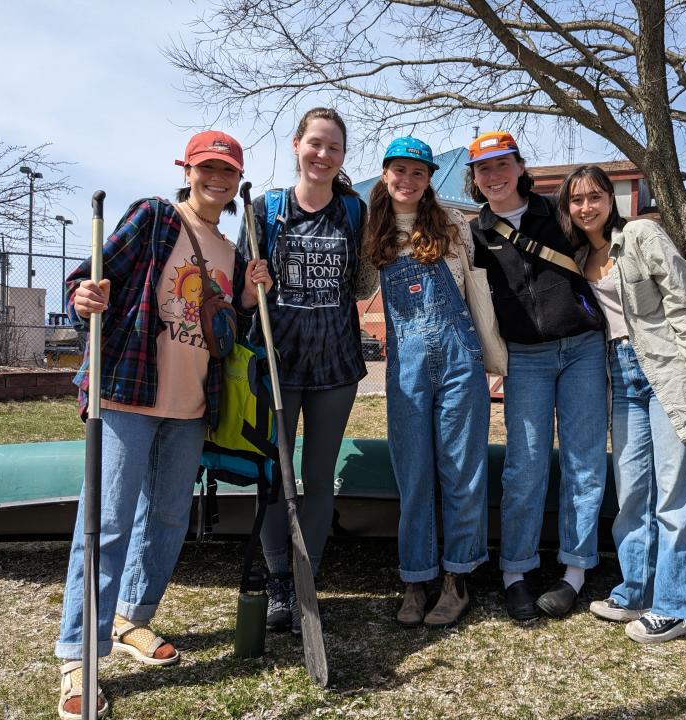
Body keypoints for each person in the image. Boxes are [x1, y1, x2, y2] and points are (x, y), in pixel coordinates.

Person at [56, 130, 271, 718]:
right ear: (189, 169)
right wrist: (84, 298)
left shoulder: (228, 250)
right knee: (105, 524)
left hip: (190, 407)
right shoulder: (154, 217)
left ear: (236, 182)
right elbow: (86, 278)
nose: (217, 179)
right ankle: (81, 654)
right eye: (207, 168)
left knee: (170, 517)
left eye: (227, 171)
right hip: (128, 393)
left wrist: (252, 298)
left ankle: (131, 618)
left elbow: (225, 332)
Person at [557, 164, 686, 643]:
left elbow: (683, 300)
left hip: (668, 370)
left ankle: (680, 606)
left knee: (677, 493)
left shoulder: (641, 234)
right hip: (621, 374)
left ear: (611, 199)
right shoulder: (578, 256)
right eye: (577, 200)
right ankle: (636, 590)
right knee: (632, 489)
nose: (586, 207)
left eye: (595, 196)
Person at [239, 108, 378, 635]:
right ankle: (278, 580)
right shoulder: (264, 208)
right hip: (276, 364)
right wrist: (253, 285)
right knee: (277, 477)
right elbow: (240, 295)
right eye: (315, 144)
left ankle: (306, 579)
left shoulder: (352, 210)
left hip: (335, 365)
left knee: (318, 477)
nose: (323, 155)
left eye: (334, 148)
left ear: (343, 157)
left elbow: (363, 286)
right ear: (296, 145)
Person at [465, 131, 607, 620]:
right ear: (475, 178)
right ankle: (515, 571)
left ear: (520, 166)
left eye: (503, 164)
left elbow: (607, 248)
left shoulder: (560, 213)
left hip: (583, 350)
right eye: (484, 168)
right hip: (524, 357)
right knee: (525, 465)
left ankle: (574, 572)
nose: (495, 175)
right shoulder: (475, 233)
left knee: (584, 460)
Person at [363, 136, 490, 628]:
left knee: (462, 473)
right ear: (386, 174)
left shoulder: (453, 225)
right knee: (413, 476)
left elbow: (477, 290)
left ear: (429, 178)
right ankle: (415, 579)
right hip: (407, 368)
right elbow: (354, 288)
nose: (407, 180)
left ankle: (457, 579)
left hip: (460, 360)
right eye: (399, 170)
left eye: (418, 173)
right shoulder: (371, 231)